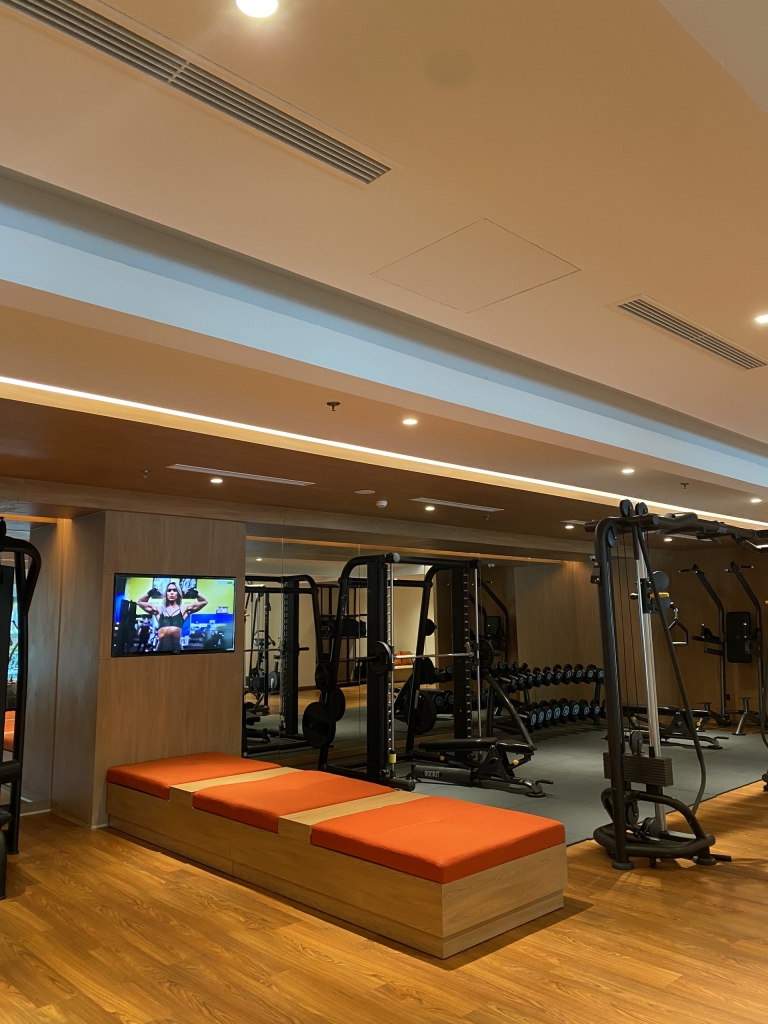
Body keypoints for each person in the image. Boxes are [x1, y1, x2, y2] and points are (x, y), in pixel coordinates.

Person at [137, 581, 208, 653]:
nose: (171, 593)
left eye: (174, 590)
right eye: (169, 590)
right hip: (161, 648)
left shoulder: (183, 609)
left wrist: (194, 592)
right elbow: (139, 602)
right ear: (166, 593)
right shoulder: (159, 610)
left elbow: (204, 601)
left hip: (177, 648)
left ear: (178, 593)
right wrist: (151, 592)